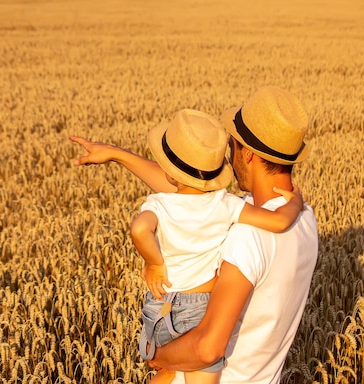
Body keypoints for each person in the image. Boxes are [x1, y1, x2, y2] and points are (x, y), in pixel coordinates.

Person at [70, 86, 318, 383]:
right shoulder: (303, 218)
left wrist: (156, 357)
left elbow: (207, 348)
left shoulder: (247, 237)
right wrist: (117, 155)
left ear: (248, 154)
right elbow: (191, 198)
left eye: (233, 144)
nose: (229, 151)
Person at [118, 108, 302, 384]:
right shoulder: (228, 206)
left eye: (233, 144)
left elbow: (140, 228)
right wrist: (296, 204)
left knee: (166, 369)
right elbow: (277, 221)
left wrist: (154, 263)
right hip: (196, 308)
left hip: (157, 307)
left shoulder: (161, 203)